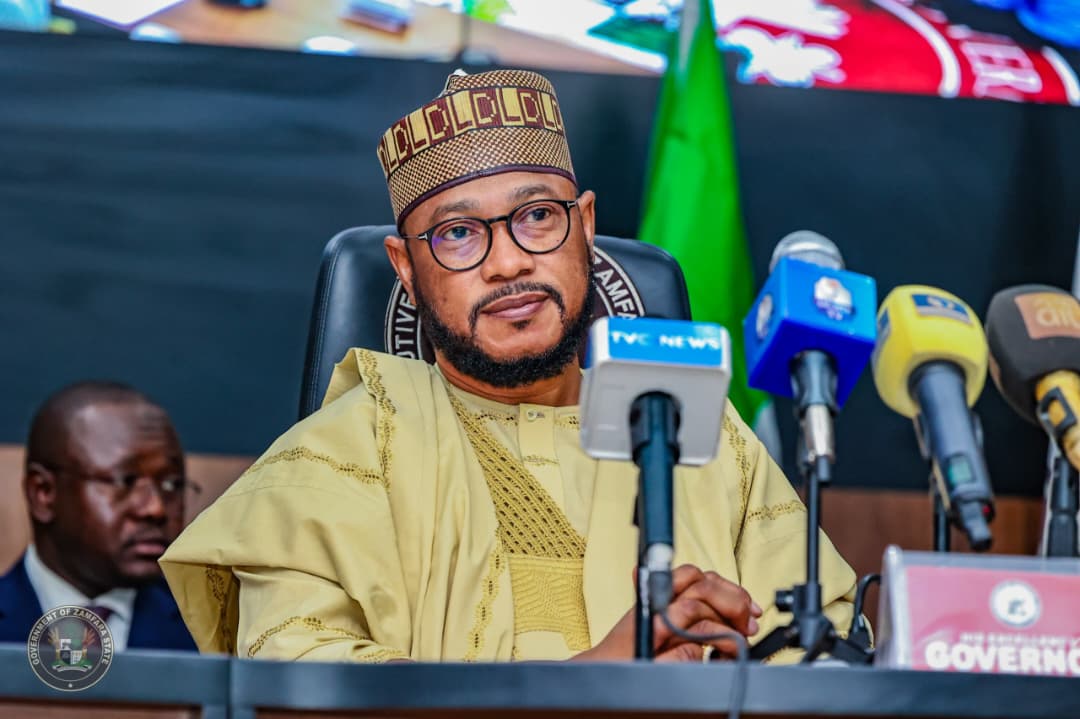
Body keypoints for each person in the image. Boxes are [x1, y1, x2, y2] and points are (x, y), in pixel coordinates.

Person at [160, 69, 858, 663]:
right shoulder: (340, 452)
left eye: (538, 218)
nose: (508, 261)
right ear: (405, 267)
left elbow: (825, 655)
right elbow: (298, 681)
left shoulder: (705, 437)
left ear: (585, 225)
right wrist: (595, 683)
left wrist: (748, 675)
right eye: (459, 233)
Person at [0, 381, 196, 651]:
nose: (155, 508)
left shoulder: (210, 633)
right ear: (43, 493)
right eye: (125, 481)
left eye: (172, 484)